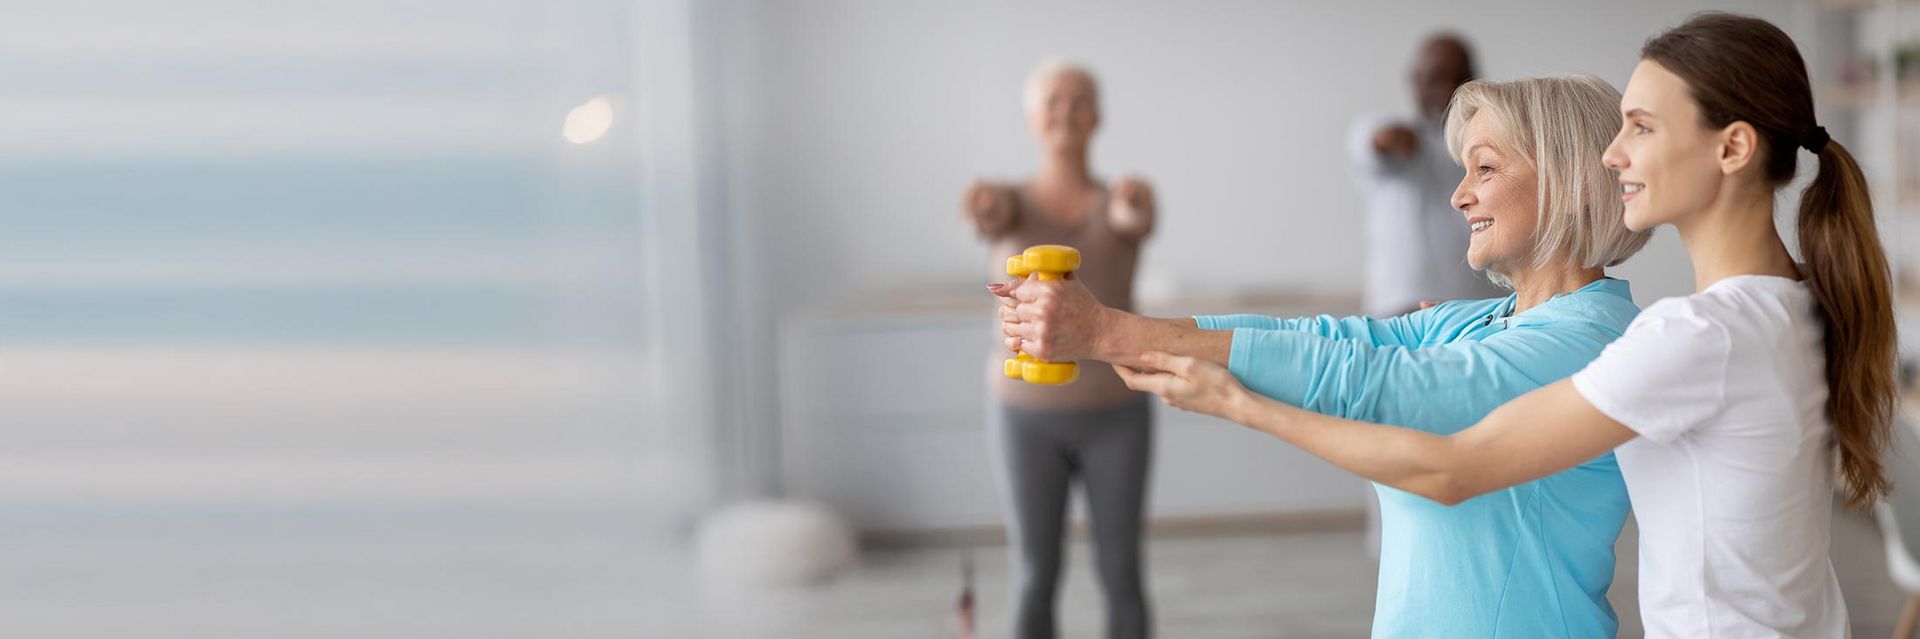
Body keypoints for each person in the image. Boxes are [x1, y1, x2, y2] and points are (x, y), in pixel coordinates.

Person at [1114, 13, 1893, 638]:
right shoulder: (1790, 304)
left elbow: (1451, 468)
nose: (1613, 154)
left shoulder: (1696, 336)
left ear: (1732, 147)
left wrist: (1239, 404)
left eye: (1642, 128)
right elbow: (1360, 350)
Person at [994, 75, 1650, 637]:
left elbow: (1387, 386)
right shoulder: (1480, 321)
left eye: (1485, 168)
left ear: (1569, 181)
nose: (1459, 195)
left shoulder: (1588, 342)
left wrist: (1106, 333)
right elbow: (1325, 342)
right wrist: (1110, 328)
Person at [962, 59, 1156, 639]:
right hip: (1023, 417)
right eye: (1053, 101)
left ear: (1096, 116)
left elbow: (1132, 219)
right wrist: (982, 207)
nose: (1066, 111)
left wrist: (1133, 208)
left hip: (1116, 415)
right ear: (1031, 118)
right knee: (1033, 576)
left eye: (1078, 100)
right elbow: (984, 215)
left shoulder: (1122, 200)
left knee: (1121, 572)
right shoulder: (1008, 203)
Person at [1351, 33, 1507, 316]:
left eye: (1459, 78)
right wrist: (1395, 141)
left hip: (1482, 312)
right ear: (1415, 80)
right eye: (1437, 77)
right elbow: (1379, 142)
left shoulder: (1496, 139)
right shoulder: (1385, 130)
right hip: (1401, 309)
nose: (1448, 88)